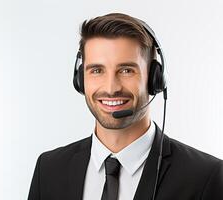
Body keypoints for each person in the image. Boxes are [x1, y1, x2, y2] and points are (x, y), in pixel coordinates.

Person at [28, 13, 223, 200]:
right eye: (96, 70)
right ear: (80, 79)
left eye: (126, 70)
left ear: (154, 79)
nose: (111, 88)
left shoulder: (206, 176)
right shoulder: (48, 170)